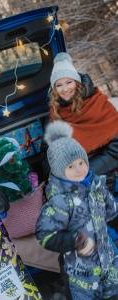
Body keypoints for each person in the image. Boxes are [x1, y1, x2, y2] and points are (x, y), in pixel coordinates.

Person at [36, 120, 118, 300]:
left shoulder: (96, 186)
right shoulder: (59, 201)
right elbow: (45, 234)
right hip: (81, 275)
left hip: (109, 263)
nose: (79, 170)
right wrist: (75, 241)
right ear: (59, 170)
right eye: (71, 167)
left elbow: (113, 213)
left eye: (81, 162)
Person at [48, 52, 118, 193]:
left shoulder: (99, 105)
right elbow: (57, 153)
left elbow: (116, 149)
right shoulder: (55, 113)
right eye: (59, 85)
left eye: (69, 82)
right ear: (55, 90)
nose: (65, 89)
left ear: (77, 82)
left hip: (108, 173)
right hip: (76, 180)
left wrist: (86, 173)